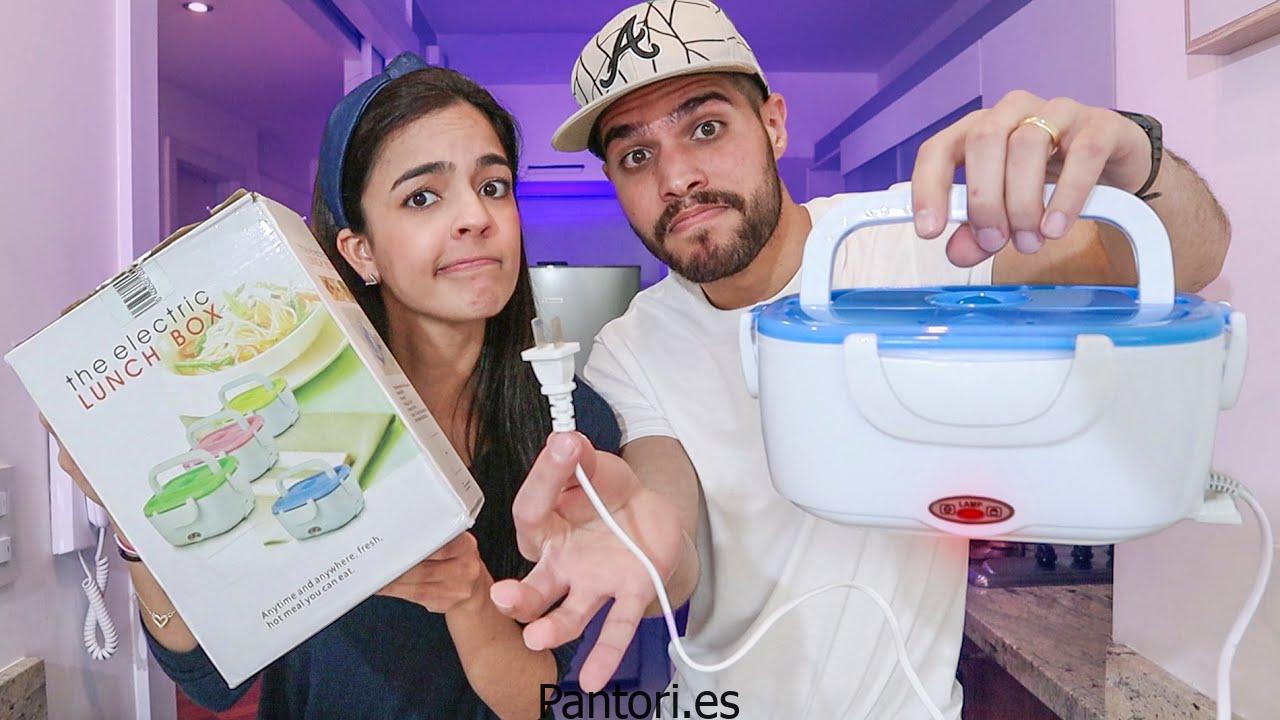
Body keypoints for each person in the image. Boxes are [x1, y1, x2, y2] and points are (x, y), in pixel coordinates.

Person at [488, 2, 1231, 717]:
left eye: (706, 127)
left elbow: (1185, 260)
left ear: (773, 123)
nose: (676, 177)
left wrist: (1137, 158)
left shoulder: (917, 244)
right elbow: (669, 531)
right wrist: (639, 546)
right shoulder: (632, 346)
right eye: (636, 155)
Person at [45, 53, 619, 720]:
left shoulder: (572, 426)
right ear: (360, 251)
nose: (475, 216)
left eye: (493, 186)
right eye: (423, 196)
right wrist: (132, 518)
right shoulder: (296, 416)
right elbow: (209, 679)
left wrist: (468, 594)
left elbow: (540, 698)